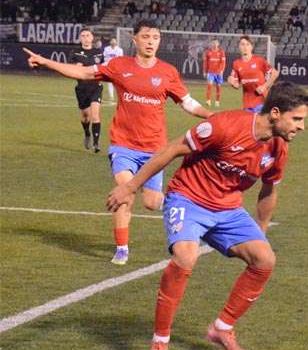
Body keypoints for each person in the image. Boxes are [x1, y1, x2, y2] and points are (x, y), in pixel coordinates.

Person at [105, 81, 308, 350]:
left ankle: (222, 327)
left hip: (228, 209)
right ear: (276, 113)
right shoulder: (225, 125)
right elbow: (172, 149)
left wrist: (261, 231)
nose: (302, 126)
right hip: (188, 198)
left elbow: (269, 190)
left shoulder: (278, 149)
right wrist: (130, 187)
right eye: (297, 119)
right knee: (185, 256)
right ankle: (160, 341)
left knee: (265, 259)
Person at [23, 20, 213, 265]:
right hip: (123, 146)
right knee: (125, 192)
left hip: (155, 149)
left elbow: (188, 103)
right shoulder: (119, 65)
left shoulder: (167, 72)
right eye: (145, 37)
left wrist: (211, 116)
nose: (150, 42)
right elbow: (84, 73)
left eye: (155, 37)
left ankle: (183, 207)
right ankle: (122, 248)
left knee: (151, 202)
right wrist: (45, 61)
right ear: (134, 40)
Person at [69, 28, 104, 152]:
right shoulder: (75, 53)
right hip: (82, 89)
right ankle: (87, 133)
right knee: (85, 117)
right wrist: (76, 67)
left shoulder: (98, 53)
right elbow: (71, 69)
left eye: (88, 35)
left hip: (96, 87)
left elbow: (102, 69)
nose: (85, 38)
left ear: (92, 37)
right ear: (80, 38)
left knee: (95, 115)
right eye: (83, 36)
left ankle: (96, 143)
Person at [228, 35, 278, 112]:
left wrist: (265, 86)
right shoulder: (236, 64)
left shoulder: (259, 61)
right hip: (247, 104)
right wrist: (231, 82)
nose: (245, 47)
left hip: (262, 101)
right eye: (242, 44)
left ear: (251, 47)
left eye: (247, 44)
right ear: (239, 47)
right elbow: (237, 85)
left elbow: (275, 73)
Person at [203, 39, 226, 107]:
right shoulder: (208, 52)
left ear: (218, 44)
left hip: (218, 73)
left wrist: (221, 70)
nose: (214, 44)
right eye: (213, 43)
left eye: (216, 43)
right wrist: (205, 71)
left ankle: (217, 101)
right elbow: (205, 63)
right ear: (211, 44)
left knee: (218, 87)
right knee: (209, 85)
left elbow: (223, 62)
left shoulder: (221, 52)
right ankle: (208, 101)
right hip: (210, 72)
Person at [102, 37, 124, 102]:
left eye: (114, 41)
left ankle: (120, 95)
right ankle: (111, 96)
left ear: (116, 42)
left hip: (116, 68)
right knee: (110, 82)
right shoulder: (106, 49)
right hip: (108, 67)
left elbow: (121, 60)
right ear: (110, 42)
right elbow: (104, 58)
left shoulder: (119, 50)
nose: (113, 42)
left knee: (117, 82)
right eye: (112, 41)